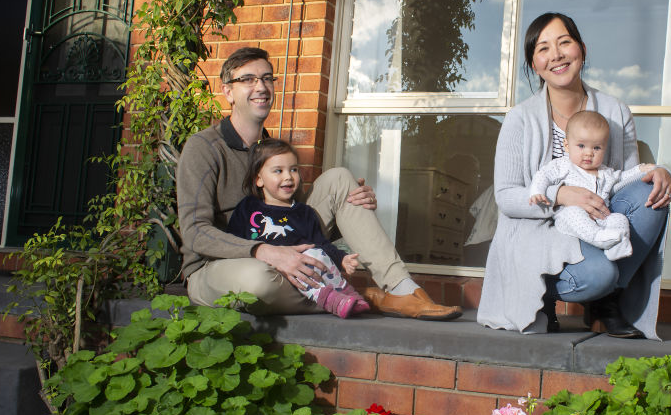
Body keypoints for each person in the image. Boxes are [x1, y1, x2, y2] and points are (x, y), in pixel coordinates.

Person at [177, 46, 462, 320]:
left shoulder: (271, 152)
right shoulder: (204, 147)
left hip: (283, 254)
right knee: (259, 284)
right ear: (228, 91)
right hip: (219, 266)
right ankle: (358, 296)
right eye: (248, 80)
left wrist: (353, 207)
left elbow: (298, 223)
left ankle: (404, 290)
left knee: (340, 179)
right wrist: (265, 252)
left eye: (267, 78)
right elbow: (195, 233)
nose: (261, 87)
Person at [478, 13, 671, 338]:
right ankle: (543, 296)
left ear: (581, 49)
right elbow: (506, 196)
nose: (555, 55)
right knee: (598, 274)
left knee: (650, 193)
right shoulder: (520, 119)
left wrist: (657, 172)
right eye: (543, 48)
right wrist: (560, 195)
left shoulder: (615, 112)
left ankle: (606, 302)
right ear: (534, 63)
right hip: (537, 232)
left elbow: (626, 181)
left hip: (596, 222)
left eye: (564, 42)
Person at [226, 138, 369, 318]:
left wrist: (342, 259)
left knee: (316, 254)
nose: (288, 176)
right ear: (259, 179)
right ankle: (331, 300)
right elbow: (234, 241)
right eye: (278, 171)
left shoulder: (304, 212)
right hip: (268, 271)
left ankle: (347, 293)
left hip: (302, 265)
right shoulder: (247, 208)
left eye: (293, 169)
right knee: (302, 267)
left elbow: (321, 244)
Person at [528, 110, 652, 261]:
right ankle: (598, 238)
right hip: (568, 218)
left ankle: (616, 247)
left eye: (596, 148)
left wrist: (640, 170)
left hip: (600, 218)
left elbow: (622, 178)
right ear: (567, 145)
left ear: (604, 149)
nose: (589, 153)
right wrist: (537, 191)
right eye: (581, 146)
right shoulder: (563, 165)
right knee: (574, 213)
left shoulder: (605, 172)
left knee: (619, 219)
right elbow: (544, 175)